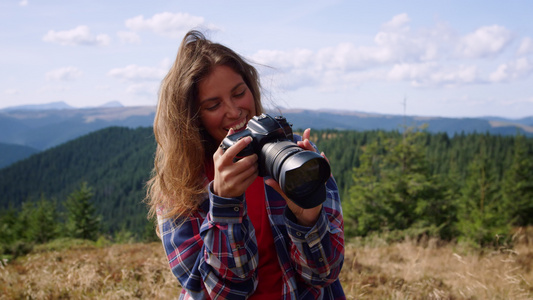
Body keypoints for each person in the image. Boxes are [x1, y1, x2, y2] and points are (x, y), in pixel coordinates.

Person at [146, 30, 345, 299]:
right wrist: (225, 204)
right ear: (191, 117)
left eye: (239, 93)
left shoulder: (293, 157)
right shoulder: (181, 182)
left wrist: (308, 217)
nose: (233, 110)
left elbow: (324, 275)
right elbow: (221, 293)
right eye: (213, 104)